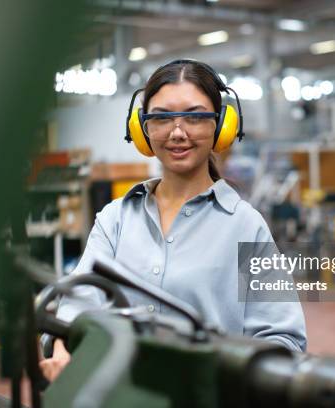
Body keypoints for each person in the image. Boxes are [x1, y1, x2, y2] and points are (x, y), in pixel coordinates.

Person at [39, 59, 306, 382]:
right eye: (162, 117)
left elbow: (284, 340)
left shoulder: (246, 226)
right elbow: (79, 302)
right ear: (142, 129)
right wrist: (64, 345)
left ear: (221, 126)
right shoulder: (115, 220)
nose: (177, 132)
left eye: (195, 116)